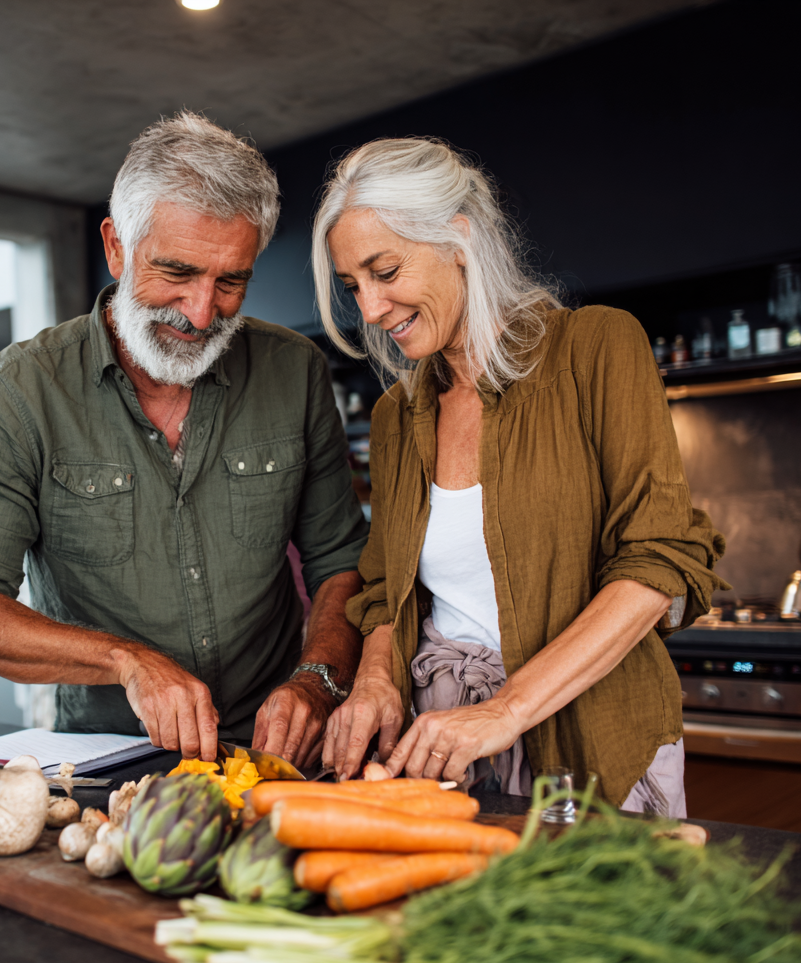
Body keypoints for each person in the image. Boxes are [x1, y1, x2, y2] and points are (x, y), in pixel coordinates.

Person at [0, 113, 369, 766]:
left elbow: (341, 561)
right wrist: (126, 661)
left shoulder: (293, 369)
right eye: (177, 271)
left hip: (275, 751)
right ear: (115, 246)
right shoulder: (24, 387)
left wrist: (318, 680)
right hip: (107, 760)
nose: (199, 311)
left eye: (230, 281)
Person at [311, 138, 727, 815]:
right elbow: (388, 592)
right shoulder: (397, 416)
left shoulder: (598, 348)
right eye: (353, 286)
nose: (372, 309)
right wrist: (375, 681)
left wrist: (506, 710)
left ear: (458, 238)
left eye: (385, 271)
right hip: (441, 754)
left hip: (591, 735)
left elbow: (657, 561)